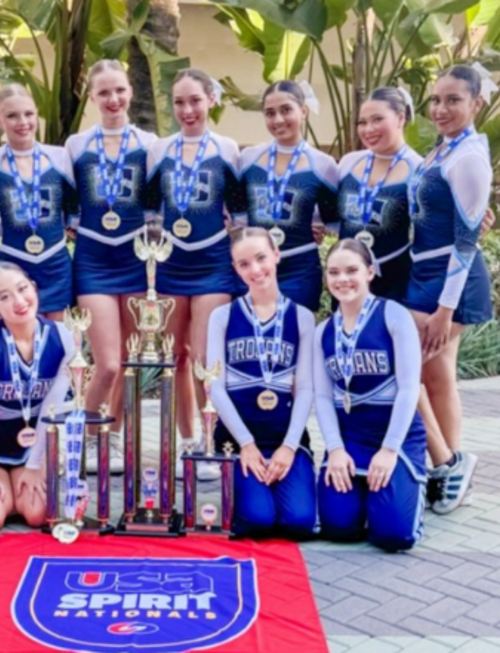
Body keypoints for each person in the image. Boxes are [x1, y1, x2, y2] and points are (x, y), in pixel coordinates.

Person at [145, 69, 245, 479]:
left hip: (213, 262)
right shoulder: (159, 150)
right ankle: (186, 436)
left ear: (211, 100)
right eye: (180, 102)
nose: (187, 110)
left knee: (205, 357)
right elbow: (151, 214)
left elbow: (239, 215)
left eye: (195, 101)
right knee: (175, 358)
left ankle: (209, 436)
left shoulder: (228, 149)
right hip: (171, 262)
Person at [405, 65, 493, 514]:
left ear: (476, 103)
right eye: (436, 99)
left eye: (453, 100)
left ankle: (447, 463)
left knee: (412, 371)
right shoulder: (443, 150)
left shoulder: (467, 155)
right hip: (426, 274)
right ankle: (452, 470)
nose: (441, 108)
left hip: (449, 282)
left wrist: (444, 308)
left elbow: (466, 240)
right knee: (437, 378)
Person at [65, 60, 157, 474]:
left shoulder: (151, 144)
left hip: (137, 259)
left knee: (128, 357)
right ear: (92, 97)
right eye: (104, 92)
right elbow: (66, 203)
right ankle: (81, 435)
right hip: (94, 258)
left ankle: (113, 438)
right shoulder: (76, 145)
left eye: (119, 89)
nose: (113, 99)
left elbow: (163, 199)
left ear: (130, 91)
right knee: (106, 362)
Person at [314, 239, 426, 551]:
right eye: (333, 272)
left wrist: (389, 450)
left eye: (352, 270)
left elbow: (409, 388)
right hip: (350, 438)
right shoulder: (324, 331)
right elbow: (323, 398)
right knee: (338, 527)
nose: (342, 279)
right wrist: (335, 449)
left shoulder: (393, 315)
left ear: (370, 272)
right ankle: (365, 497)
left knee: (394, 536)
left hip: (394, 436)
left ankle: (408, 484)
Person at [206, 227, 317, 538]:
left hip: (285, 439)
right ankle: (252, 493)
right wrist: (245, 444)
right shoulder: (223, 316)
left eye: (260, 258)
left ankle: (294, 479)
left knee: (299, 523)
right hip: (238, 441)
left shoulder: (302, 317)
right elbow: (215, 387)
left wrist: (289, 446)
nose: (255, 270)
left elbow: (306, 388)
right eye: (244, 264)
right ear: (236, 269)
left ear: (276, 255)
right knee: (258, 521)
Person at [0, 262, 75, 532]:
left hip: (29, 441)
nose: (19, 301)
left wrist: (34, 464)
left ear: (33, 286)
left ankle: (14, 480)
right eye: (4, 297)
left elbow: (51, 409)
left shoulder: (63, 337)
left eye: (22, 289)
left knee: (37, 515)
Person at [238, 80, 339, 313]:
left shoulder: (324, 166)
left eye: (286, 110)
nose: (278, 120)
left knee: (295, 341)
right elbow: (237, 214)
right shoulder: (248, 159)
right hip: (254, 268)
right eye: (270, 113)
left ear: (303, 111)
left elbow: (333, 222)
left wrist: (316, 225)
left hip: (300, 268)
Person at [0, 84, 77, 321]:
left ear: (36, 113)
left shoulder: (60, 156)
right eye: (11, 116)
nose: (22, 121)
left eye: (28, 114)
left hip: (55, 262)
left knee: (58, 343)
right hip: (13, 264)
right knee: (20, 338)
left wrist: (54, 223)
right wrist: (16, 222)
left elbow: (73, 211)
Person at [335, 86, 423, 302]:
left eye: (377, 120)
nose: (368, 129)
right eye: (362, 122)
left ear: (400, 118)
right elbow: (327, 213)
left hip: (395, 280)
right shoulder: (349, 162)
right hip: (346, 280)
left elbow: (432, 229)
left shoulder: (420, 169)